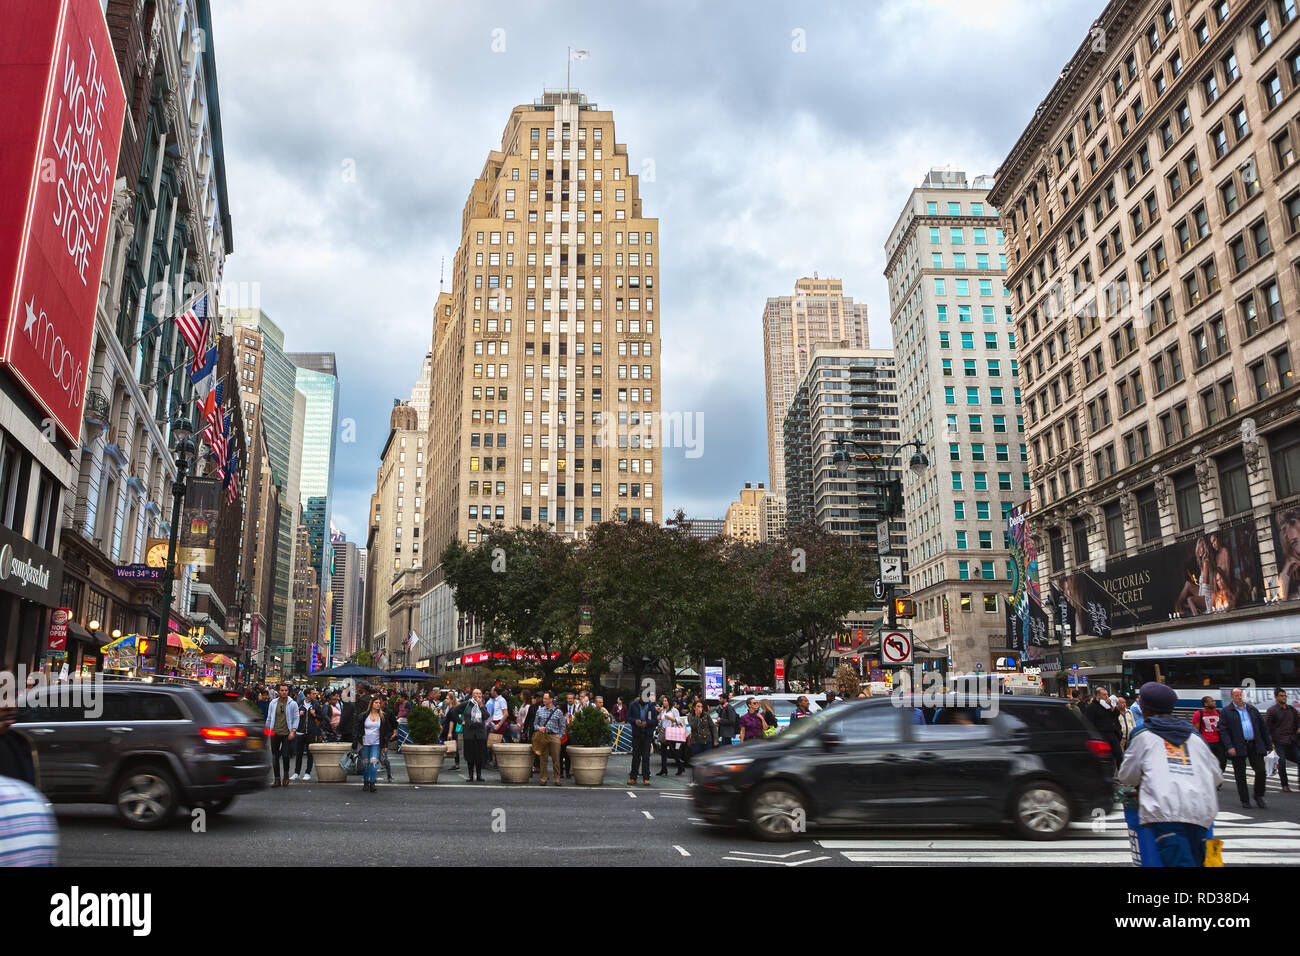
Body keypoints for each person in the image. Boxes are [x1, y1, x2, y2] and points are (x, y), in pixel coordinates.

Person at [1116, 682, 1223, 866]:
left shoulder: (1142, 735)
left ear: (1144, 708)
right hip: (1201, 812)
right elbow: (1216, 777)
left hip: (1166, 812)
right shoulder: (1196, 737)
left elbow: (1127, 776)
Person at [1220, 686, 1272, 809]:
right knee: (1240, 774)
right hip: (1237, 746)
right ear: (1232, 697)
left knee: (1261, 770)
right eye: (1236, 695)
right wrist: (1229, 746)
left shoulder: (1252, 709)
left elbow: (1263, 727)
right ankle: (1245, 800)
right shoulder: (1226, 711)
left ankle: (1258, 795)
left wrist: (1268, 745)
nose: (1239, 697)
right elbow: (1223, 731)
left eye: (1241, 695)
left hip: (1254, 744)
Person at [355, 695, 394, 793]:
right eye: (376, 703)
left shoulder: (383, 716)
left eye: (379, 703)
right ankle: (366, 782)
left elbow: (387, 731)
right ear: (371, 704)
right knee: (365, 764)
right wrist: (357, 739)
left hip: (376, 743)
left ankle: (372, 783)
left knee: (373, 763)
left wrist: (385, 744)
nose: (378, 705)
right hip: (364, 743)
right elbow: (357, 728)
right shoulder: (363, 715)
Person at [264, 683, 299, 788]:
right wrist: (267, 731)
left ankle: (286, 775)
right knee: (275, 757)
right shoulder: (273, 703)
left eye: (286, 690)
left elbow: (296, 717)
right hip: (275, 732)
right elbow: (269, 718)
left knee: (285, 755)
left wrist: (293, 731)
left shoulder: (292, 704)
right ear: (278, 692)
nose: (284, 692)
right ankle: (277, 779)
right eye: (282, 690)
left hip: (287, 733)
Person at [1265, 688, 1300, 793]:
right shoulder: (1272, 711)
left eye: (1284, 695)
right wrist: (1270, 743)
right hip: (1279, 741)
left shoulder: (1291, 709)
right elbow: (1267, 728)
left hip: (1292, 740)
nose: (1283, 697)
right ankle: (1285, 785)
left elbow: (1297, 721)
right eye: (1281, 695)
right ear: (1276, 697)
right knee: (1282, 763)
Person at [1084, 684, 1123, 770]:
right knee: (1106, 757)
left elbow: (1116, 714)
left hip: (1112, 733)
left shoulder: (1107, 705)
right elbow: (1089, 722)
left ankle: (1121, 774)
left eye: (1107, 694)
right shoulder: (1092, 707)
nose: (1107, 696)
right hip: (1101, 734)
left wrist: (1111, 706)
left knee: (1119, 754)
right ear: (1098, 695)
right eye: (1104, 695)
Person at [533, 691, 566, 786]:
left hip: (554, 736)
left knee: (556, 759)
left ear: (551, 699)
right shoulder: (539, 710)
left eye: (546, 698)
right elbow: (535, 724)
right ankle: (543, 778)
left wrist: (559, 736)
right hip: (543, 736)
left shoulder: (558, 712)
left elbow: (562, 726)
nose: (544, 700)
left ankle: (557, 778)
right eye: (543, 698)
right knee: (543, 758)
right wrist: (539, 728)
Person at [626, 694, 658, 786]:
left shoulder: (652, 706)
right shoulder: (633, 705)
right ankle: (633, 777)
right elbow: (628, 717)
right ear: (640, 696)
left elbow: (655, 721)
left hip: (647, 734)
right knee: (635, 756)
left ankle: (646, 778)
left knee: (646, 757)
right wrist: (635, 721)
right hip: (637, 734)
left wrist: (647, 723)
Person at [291, 687, 322, 781]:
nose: (315, 695)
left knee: (310, 753)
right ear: (308, 694)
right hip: (300, 732)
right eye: (313, 693)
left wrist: (315, 715)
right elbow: (293, 717)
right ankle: (296, 772)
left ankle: (308, 772)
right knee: (299, 753)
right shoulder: (299, 704)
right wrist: (298, 715)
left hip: (311, 732)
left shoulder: (316, 705)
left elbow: (321, 718)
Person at [460, 689, 490, 782]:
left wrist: (481, 705)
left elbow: (486, 716)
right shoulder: (467, 704)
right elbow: (454, 712)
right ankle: (470, 775)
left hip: (480, 734)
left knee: (479, 756)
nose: (478, 695)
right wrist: (461, 722)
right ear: (472, 695)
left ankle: (479, 775)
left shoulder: (483, 705)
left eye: (480, 693)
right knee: (470, 756)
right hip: (469, 734)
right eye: (476, 693)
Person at [1192, 696, 1227, 773]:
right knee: (1207, 764)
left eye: (1213, 701)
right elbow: (1196, 730)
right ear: (1206, 704)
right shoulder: (1199, 714)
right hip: (1206, 743)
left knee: (1222, 762)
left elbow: (1224, 726)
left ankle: (1218, 779)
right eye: (1211, 701)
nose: (1214, 702)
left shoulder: (1218, 712)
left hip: (1218, 742)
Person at [657, 695, 685, 775]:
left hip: (672, 732)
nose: (664, 702)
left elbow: (679, 721)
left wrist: (670, 718)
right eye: (663, 701)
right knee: (663, 751)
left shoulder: (674, 710)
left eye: (666, 701)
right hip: (664, 731)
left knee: (673, 751)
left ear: (669, 702)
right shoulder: (663, 710)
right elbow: (659, 718)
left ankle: (680, 766)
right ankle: (663, 769)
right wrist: (659, 712)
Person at [686, 700, 716, 764]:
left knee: (708, 761)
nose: (700, 708)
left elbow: (713, 727)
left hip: (707, 741)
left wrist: (716, 740)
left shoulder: (706, 715)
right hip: (696, 741)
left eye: (701, 707)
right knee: (698, 762)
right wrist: (697, 716)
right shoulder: (690, 716)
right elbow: (693, 727)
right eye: (698, 706)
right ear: (694, 708)